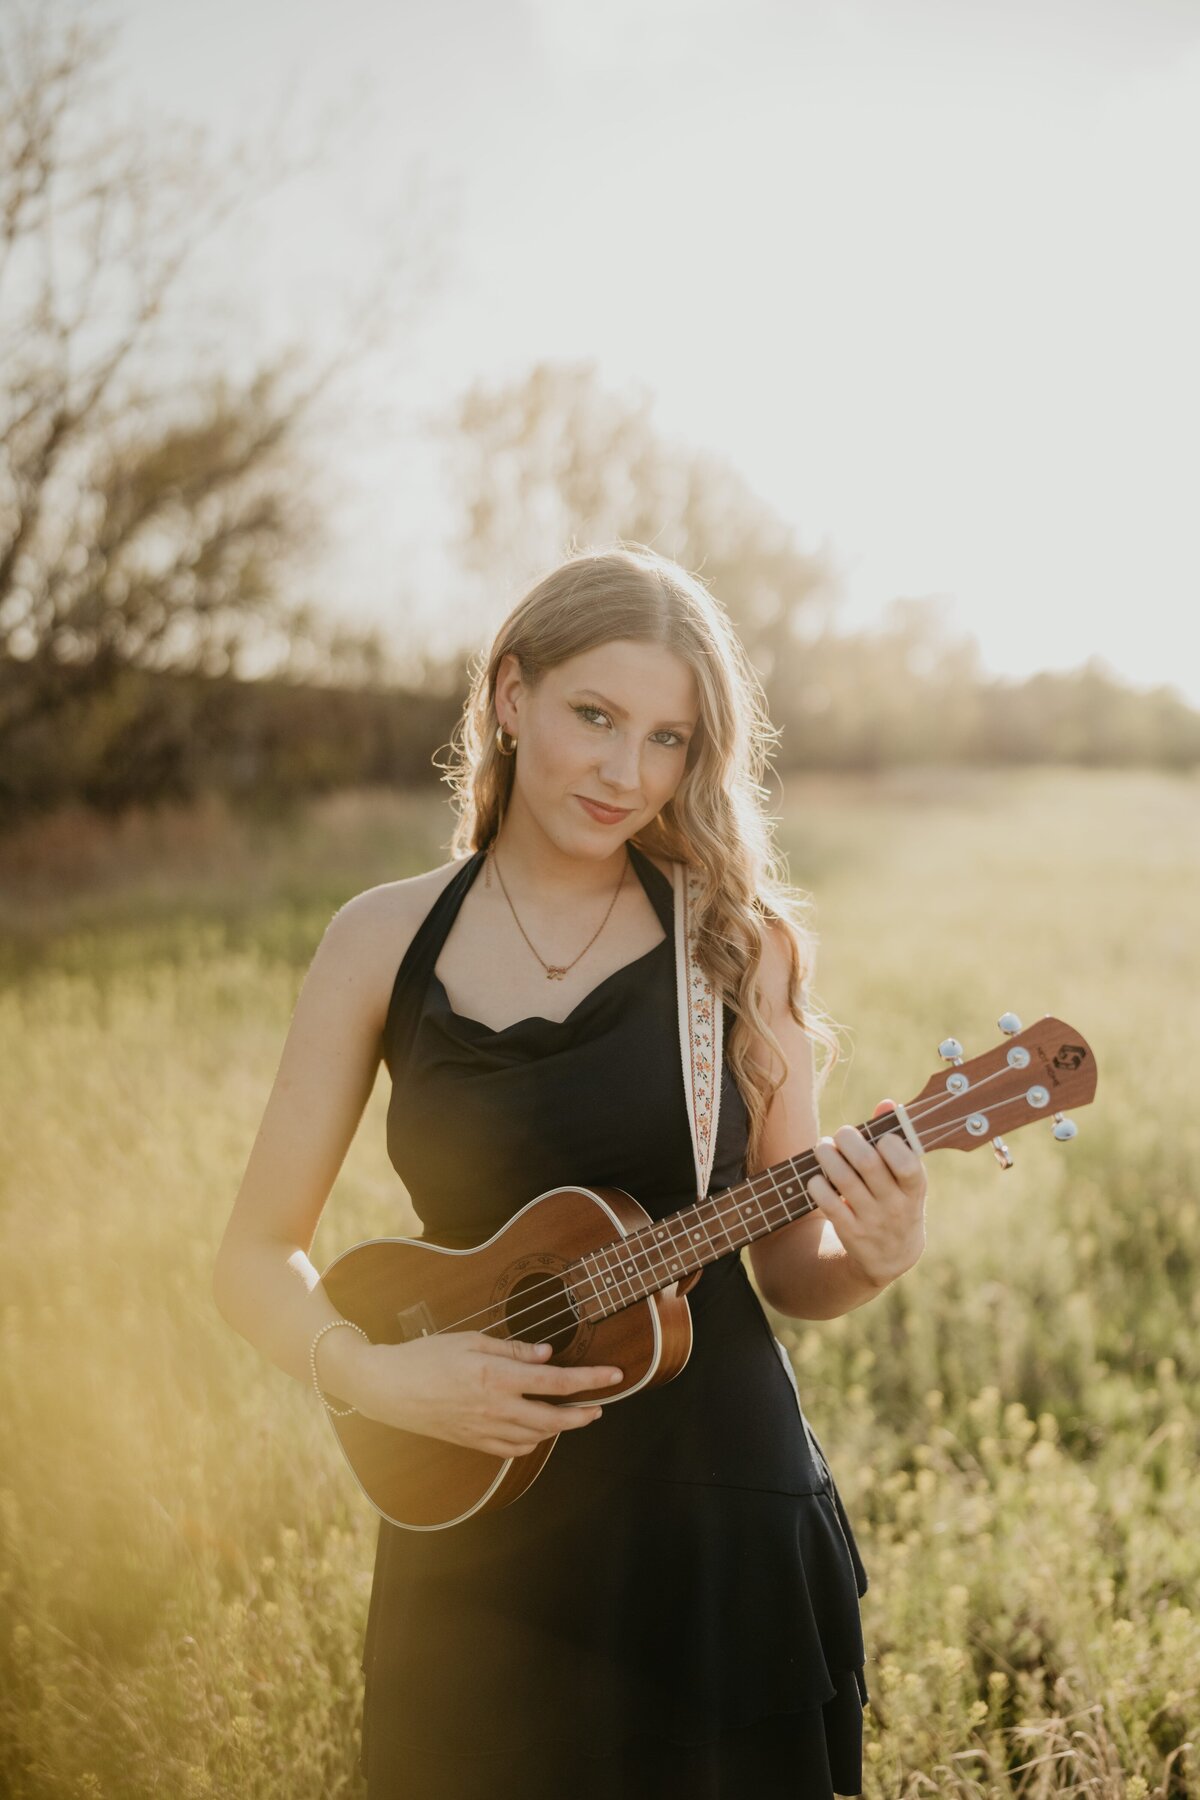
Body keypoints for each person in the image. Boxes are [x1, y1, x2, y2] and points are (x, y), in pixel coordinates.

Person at [212, 543, 928, 1799]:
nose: (623, 772)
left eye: (666, 739)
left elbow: (788, 1265)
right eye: (594, 716)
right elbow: (253, 1252)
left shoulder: (732, 942)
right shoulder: (382, 938)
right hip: (473, 1507)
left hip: (717, 1515)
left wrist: (868, 1258)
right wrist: (378, 1377)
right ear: (509, 694)